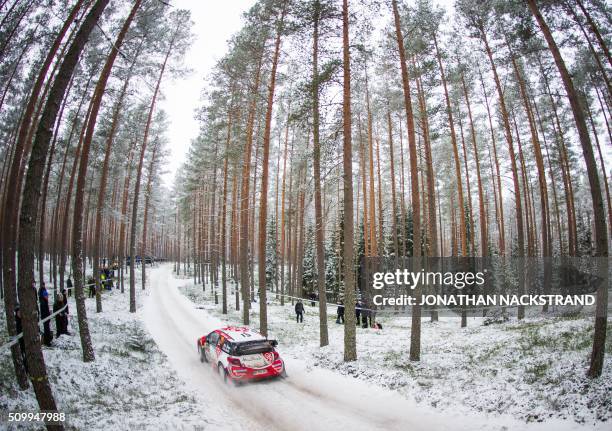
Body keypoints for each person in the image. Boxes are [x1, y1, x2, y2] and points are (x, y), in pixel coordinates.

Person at [14, 305, 27, 371]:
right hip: (20, 342)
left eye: (20, 312)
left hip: (26, 340)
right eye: (18, 312)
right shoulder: (15, 322)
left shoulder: (24, 320)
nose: (20, 314)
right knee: (23, 355)